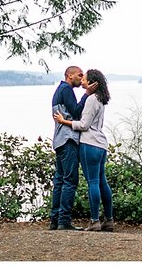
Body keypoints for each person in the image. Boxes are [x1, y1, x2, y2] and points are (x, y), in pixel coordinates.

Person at [54, 68, 114, 232]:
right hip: (101, 144)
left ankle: (94, 221)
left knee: (93, 182)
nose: (82, 81)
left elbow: (83, 125)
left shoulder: (91, 99)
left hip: (90, 144)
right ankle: (109, 220)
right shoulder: (101, 98)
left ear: (92, 83)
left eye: (84, 78)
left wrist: (63, 121)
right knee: (102, 182)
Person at [49, 66, 95, 231]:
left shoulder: (59, 90)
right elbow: (76, 112)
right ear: (69, 75)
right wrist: (87, 94)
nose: (81, 77)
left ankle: (55, 220)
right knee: (70, 180)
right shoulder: (66, 89)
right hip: (68, 140)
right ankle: (64, 220)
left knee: (60, 180)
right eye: (79, 74)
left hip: (59, 140)